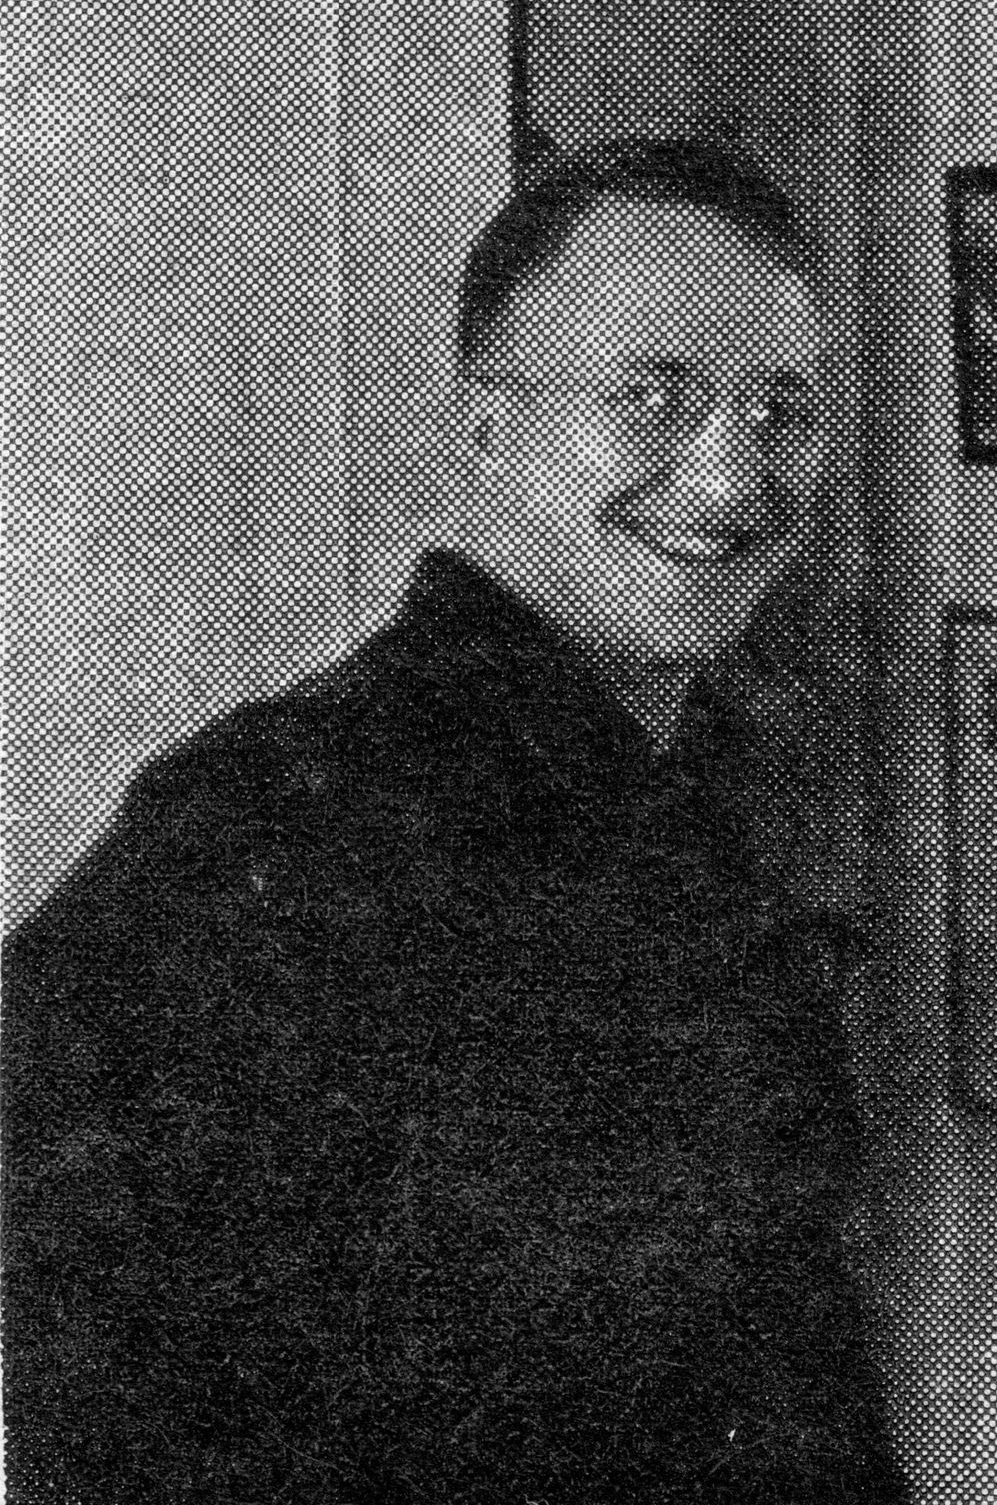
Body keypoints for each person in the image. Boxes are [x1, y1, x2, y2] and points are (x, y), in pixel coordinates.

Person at [2, 139, 910, 1501]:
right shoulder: (273, 820)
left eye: (783, 411)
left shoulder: (716, 787)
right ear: (484, 428)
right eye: (653, 400)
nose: (732, 480)